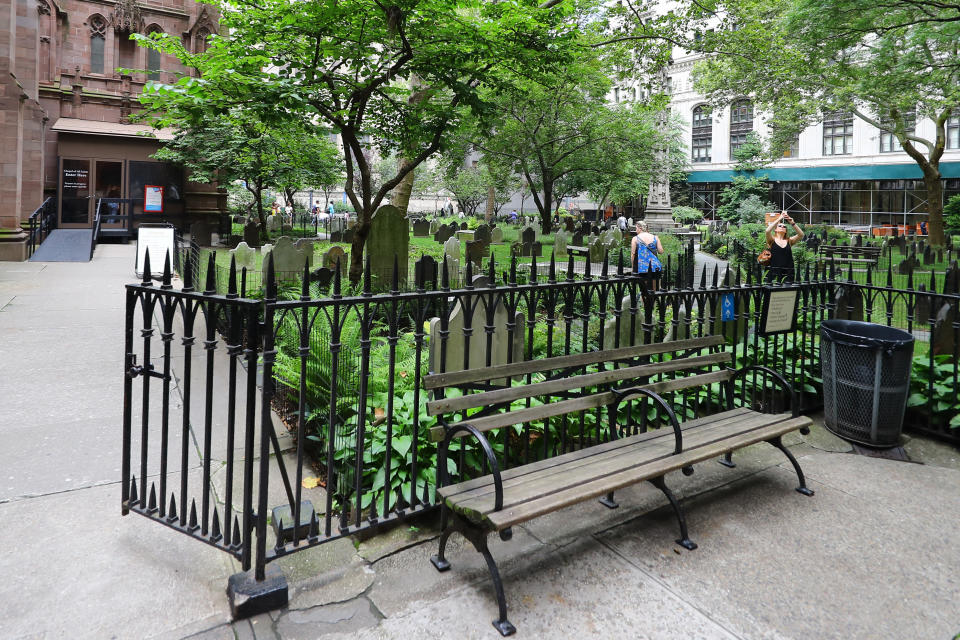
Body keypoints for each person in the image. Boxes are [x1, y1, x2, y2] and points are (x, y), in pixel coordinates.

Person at [764, 212, 804, 283]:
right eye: (780, 226)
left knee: (787, 291)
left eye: (784, 227)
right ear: (775, 230)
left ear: (786, 231)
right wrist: (779, 218)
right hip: (774, 270)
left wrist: (792, 223)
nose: (782, 227)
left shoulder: (789, 240)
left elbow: (801, 235)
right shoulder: (772, 240)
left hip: (788, 271)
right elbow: (767, 231)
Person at [631, 220, 664, 287]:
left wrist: (633, 267)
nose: (636, 230)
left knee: (644, 291)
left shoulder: (635, 239)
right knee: (654, 290)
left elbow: (633, 254)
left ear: (640, 228)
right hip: (655, 267)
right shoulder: (655, 237)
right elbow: (661, 251)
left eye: (636, 228)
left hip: (642, 268)